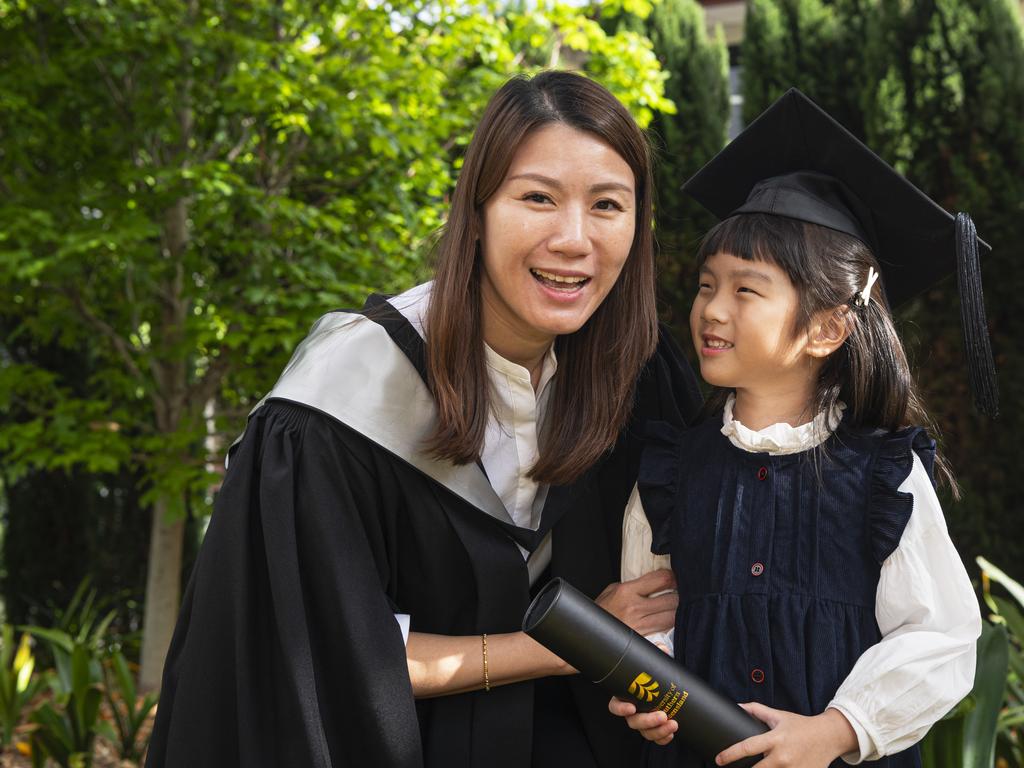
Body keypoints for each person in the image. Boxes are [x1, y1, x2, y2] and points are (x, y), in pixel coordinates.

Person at [144, 70, 704, 768]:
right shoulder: (336, 405)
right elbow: (322, 659)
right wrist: (583, 641)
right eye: (537, 198)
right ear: (475, 211)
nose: (573, 238)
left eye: (608, 205)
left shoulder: (635, 373)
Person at [609, 89, 991, 767]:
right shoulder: (673, 470)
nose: (712, 309)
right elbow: (651, 623)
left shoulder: (885, 476)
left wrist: (838, 729)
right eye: (705, 285)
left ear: (825, 328)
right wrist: (646, 691)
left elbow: (941, 635)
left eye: (745, 290)